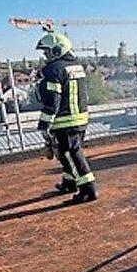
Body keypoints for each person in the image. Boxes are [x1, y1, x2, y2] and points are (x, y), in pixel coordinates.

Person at [36, 32, 97, 203]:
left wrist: (44, 124)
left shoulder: (53, 70)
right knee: (69, 154)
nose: (46, 56)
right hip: (80, 119)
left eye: (47, 52)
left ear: (57, 50)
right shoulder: (76, 66)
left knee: (70, 154)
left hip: (65, 122)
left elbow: (52, 100)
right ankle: (69, 183)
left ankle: (88, 190)